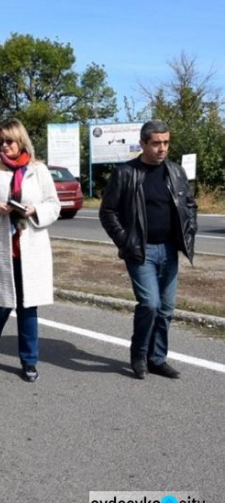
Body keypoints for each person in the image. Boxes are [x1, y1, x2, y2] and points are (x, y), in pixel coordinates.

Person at [100, 119, 196, 380]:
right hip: (140, 251)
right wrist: (125, 242)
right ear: (142, 144)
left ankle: (157, 358)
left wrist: (189, 230)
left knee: (166, 308)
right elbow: (108, 212)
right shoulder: (125, 173)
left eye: (166, 142)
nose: (162, 148)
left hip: (169, 250)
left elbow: (189, 205)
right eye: (156, 143)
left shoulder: (176, 172)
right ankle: (139, 355)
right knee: (150, 304)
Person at [0, 118, 60, 382]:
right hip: (0, 248)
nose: (4, 146)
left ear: (21, 142)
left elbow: (54, 204)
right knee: (1, 305)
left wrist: (34, 211)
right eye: (0, 142)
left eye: (9, 141)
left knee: (28, 306)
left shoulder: (38, 170)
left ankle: (29, 361)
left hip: (30, 247)